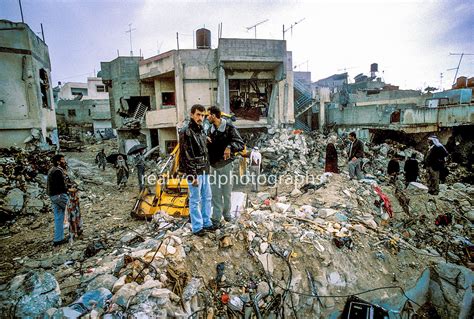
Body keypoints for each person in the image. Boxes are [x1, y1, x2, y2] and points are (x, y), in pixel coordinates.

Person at [207, 106, 245, 227]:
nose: (206, 117)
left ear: (213, 116)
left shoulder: (229, 128)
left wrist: (229, 147)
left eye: (208, 115)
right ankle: (216, 219)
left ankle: (227, 215)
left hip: (226, 165)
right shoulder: (210, 130)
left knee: (226, 192)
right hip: (213, 166)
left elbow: (240, 144)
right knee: (215, 193)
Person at [179, 104, 213, 236]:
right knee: (195, 200)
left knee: (207, 197)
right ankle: (197, 227)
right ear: (192, 114)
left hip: (204, 168)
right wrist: (192, 175)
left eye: (203, 115)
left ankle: (206, 222)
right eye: (198, 114)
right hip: (195, 171)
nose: (201, 117)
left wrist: (205, 139)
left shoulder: (201, 129)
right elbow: (186, 155)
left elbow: (199, 146)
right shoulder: (186, 131)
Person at [47, 154, 69, 247]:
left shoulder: (53, 170)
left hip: (53, 196)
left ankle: (58, 239)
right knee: (72, 211)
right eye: (63, 160)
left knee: (59, 217)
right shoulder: (57, 171)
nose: (64, 161)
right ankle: (75, 232)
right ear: (58, 162)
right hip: (59, 195)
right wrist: (68, 190)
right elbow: (60, 186)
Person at [63, 165, 83, 240]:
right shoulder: (65, 181)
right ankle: (74, 231)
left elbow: (74, 187)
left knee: (75, 217)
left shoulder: (68, 178)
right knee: (72, 218)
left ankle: (76, 230)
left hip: (74, 204)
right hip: (71, 204)